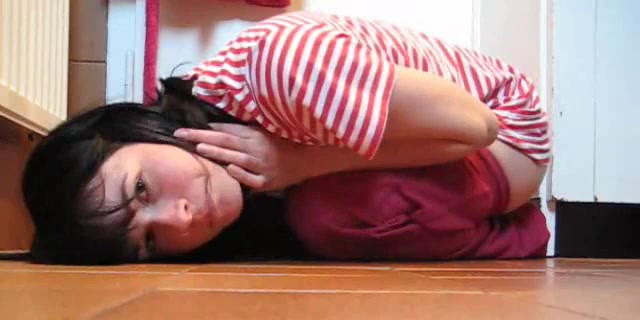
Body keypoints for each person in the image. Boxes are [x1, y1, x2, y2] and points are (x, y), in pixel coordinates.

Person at [21, 11, 550, 265]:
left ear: (136, 129)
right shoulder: (235, 160)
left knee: (325, 215)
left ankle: (515, 237)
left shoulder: (280, 69)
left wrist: (304, 163)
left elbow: (478, 126)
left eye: (141, 189)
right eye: (151, 243)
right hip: (461, 150)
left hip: (511, 137)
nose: (180, 221)